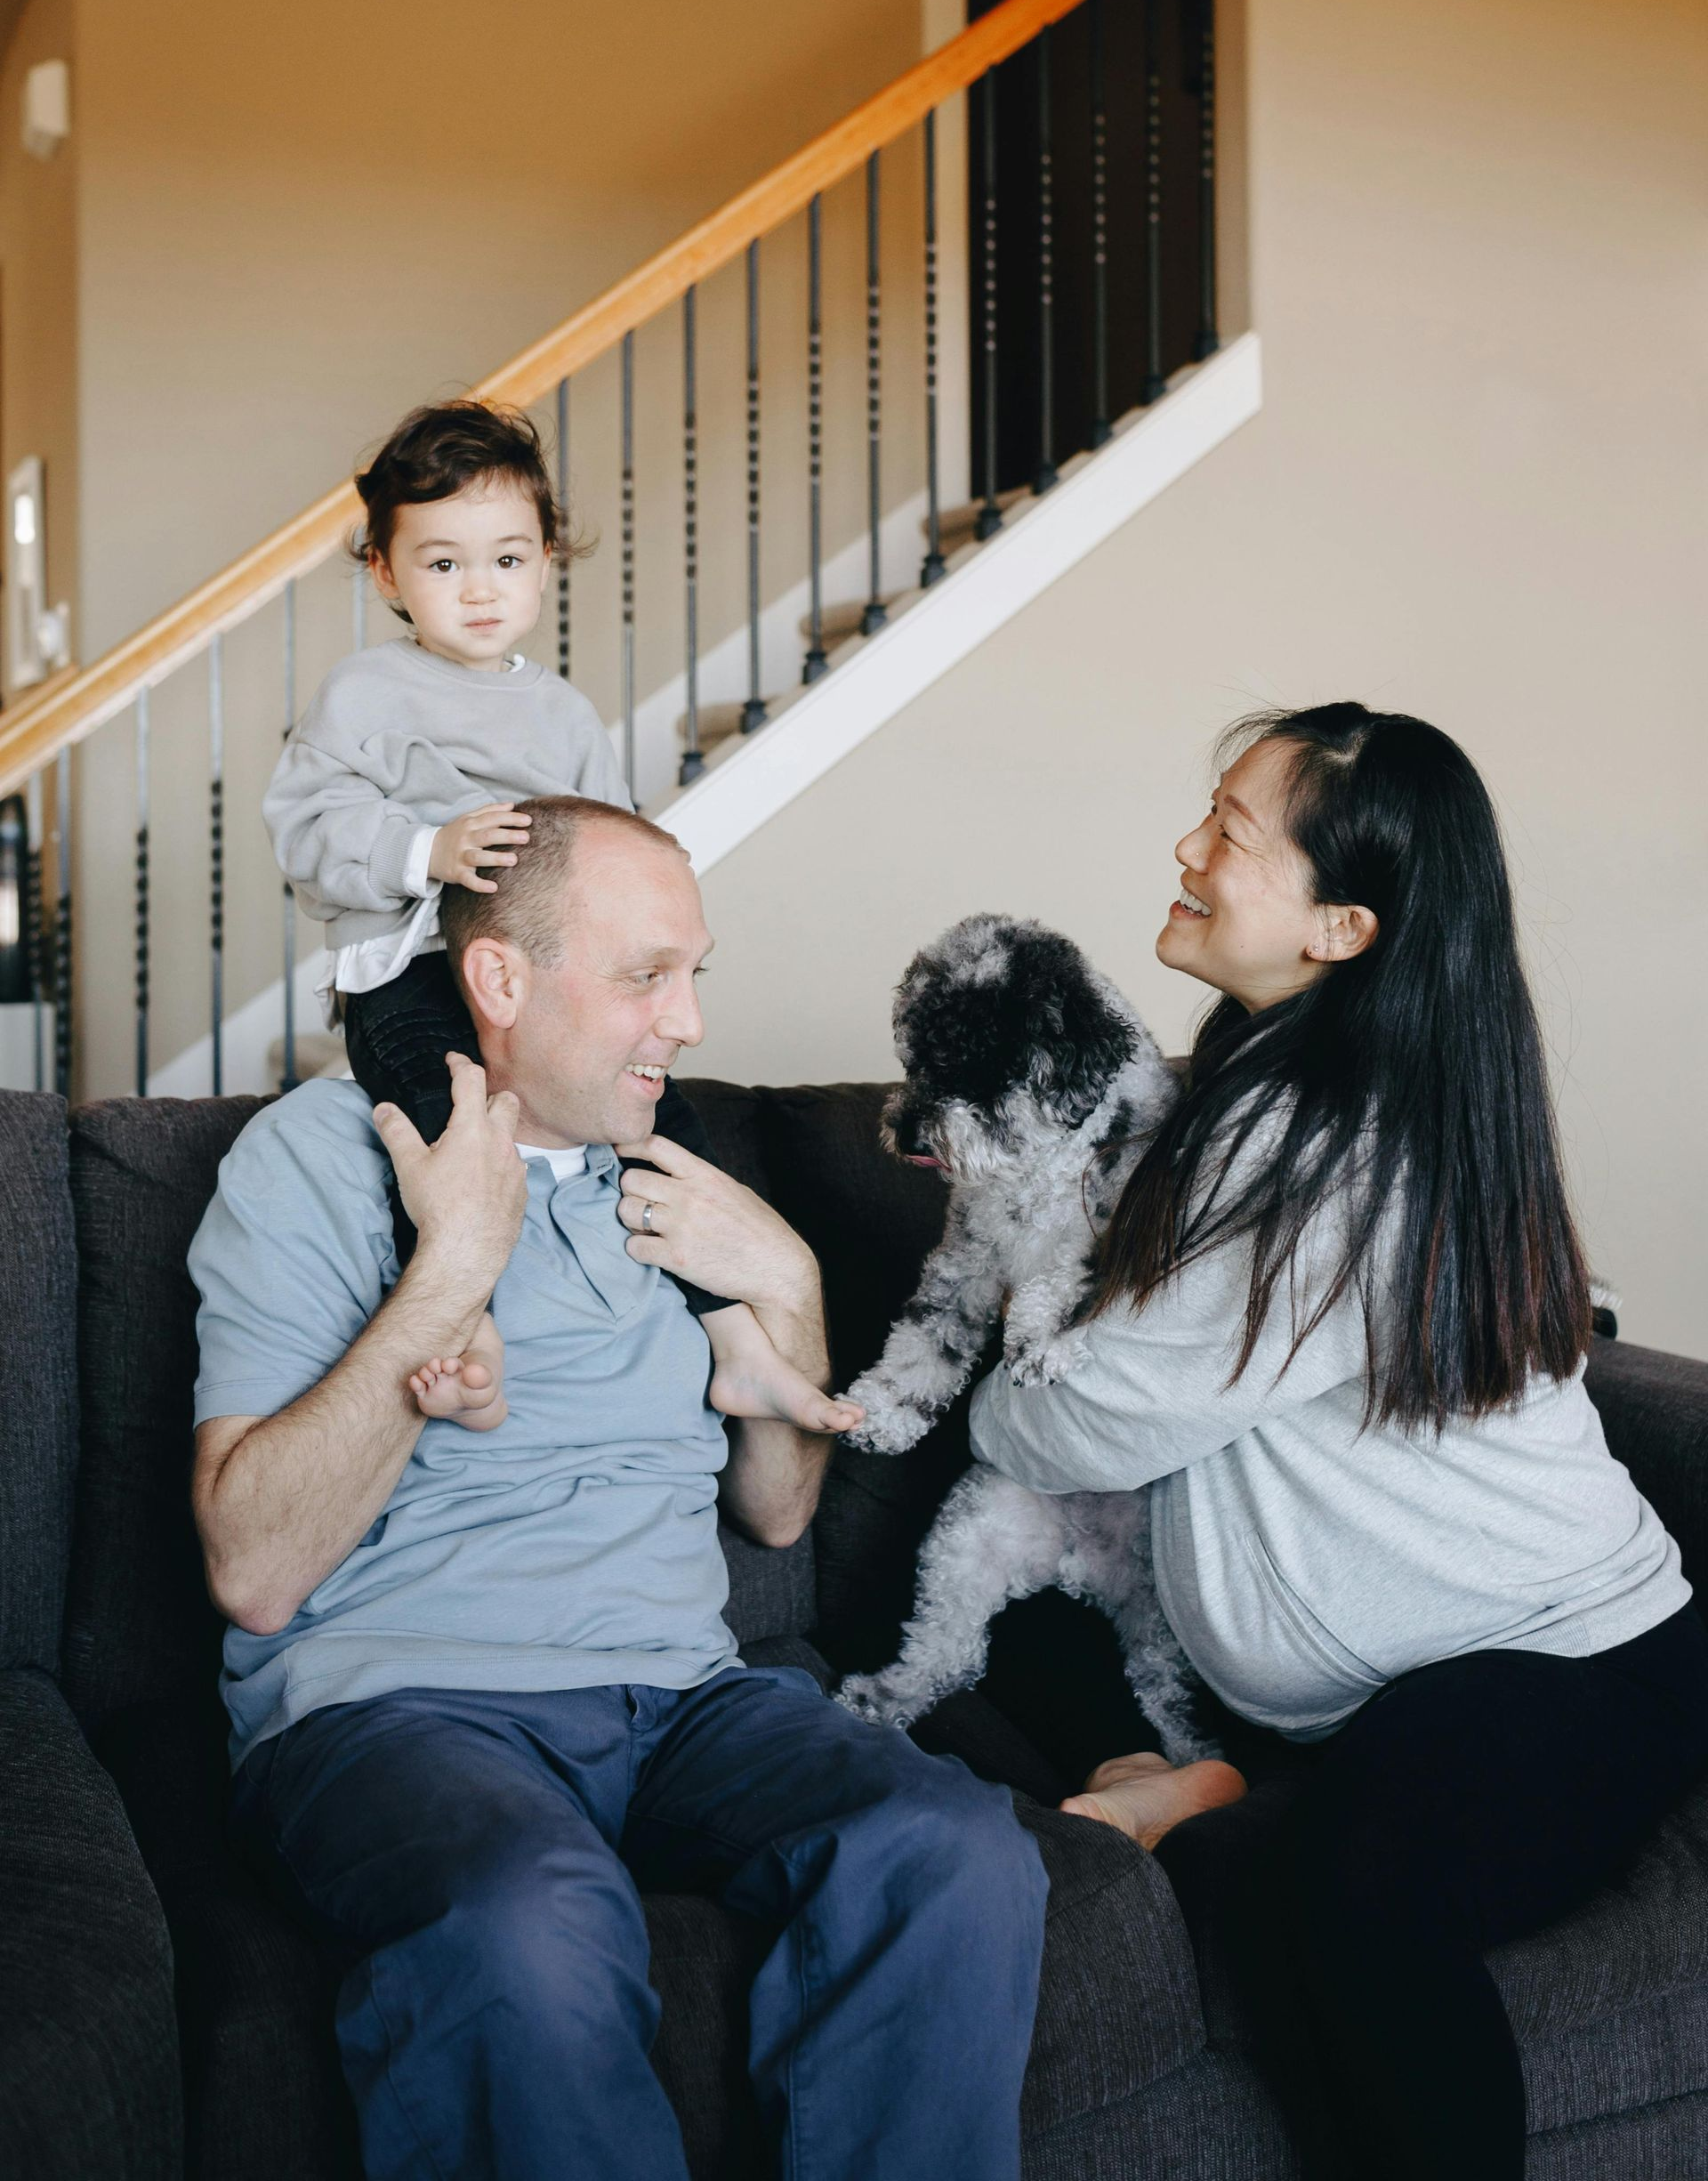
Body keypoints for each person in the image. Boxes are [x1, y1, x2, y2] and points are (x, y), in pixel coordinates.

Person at [188, 795, 1048, 2181]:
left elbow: (775, 1509)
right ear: (502, 979)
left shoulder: (669, 1181)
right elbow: (254, 1568)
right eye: (649, 976)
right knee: (526, 1914)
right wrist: (454, 1261)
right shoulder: (315, 1159)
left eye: (694, 970)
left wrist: (793, 1281)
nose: (690, 1020)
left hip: (686, 1696)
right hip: (403, 1705)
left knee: (952, 1844)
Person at [969, 702, 1708, 2180]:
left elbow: (1076, 1419)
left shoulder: (1335, 1149)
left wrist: (1008, 1392)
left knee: (1357, 1906)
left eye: (1231, 835)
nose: (1187, 850)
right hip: (1371, 1682)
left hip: (1559, 1661)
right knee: (997, 1607)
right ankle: (1167, 1769)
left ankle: (1214, 1790)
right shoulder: (1266, 1079)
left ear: (1345, 925)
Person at [262, 397, 850, 1438]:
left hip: (545, 985)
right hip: (409, 977)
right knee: (452, 1124)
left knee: (666, 1129)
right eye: (442, 565)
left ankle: (736, 1347)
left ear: (546, 563)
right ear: (387, 575)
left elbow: (615, 848)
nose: (479, 590)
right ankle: (467, 1325)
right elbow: (307, 832)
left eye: (508, 559)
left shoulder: (566, 716)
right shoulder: (364, 694)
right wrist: (423, 851)